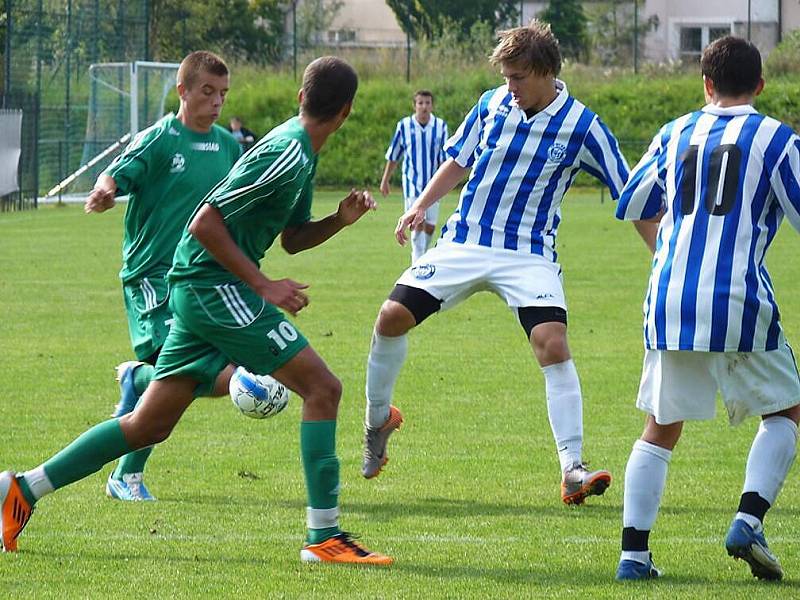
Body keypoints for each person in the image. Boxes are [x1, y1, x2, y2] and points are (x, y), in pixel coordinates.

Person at [1, 56, 392, 565]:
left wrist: (338, 221)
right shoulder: (286, 153)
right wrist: (262, 285)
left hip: (203, 287)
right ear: (346, 111)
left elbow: (292, 239)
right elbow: (204, 223)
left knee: (147, 426)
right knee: (324, 388)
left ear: (302, 96)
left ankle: (20, 490)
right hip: (213, 286)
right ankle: (325, 536)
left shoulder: (301, 155)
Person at [362, 20, 647, 506]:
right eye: (506, 77)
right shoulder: (492, 103)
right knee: (390, 317)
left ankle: (572, 469)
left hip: (528, 254)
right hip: (465, 242)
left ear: (545, 72)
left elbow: (633, 194)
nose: (509, 86)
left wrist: (662, 254)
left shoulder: (583, 126)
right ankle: (377, 421)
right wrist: (418, 205)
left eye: (517, 77)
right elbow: (459, 160)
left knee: (552, 343)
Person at [614, 36, 800, 582]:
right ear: (761, 87)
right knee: (787, 411)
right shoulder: (775, 137)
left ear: (705, 84)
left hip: (669, 295)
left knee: (660, 425)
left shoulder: (674, 132)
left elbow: (635, 204)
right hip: (737, 295)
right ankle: (748, 518)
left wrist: (672, 256)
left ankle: (633, 556)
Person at [84, 50, 243, 502]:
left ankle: (137, 385)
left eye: (223, 94)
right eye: (208, 92)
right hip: (151, 276)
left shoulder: (229, 147)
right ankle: (125, 475)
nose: (216, 102)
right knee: (190, 373)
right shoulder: (160, 139)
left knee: (184, 377)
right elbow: (116, 173)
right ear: (183, 91)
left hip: (196, 279)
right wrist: (104, 190)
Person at [380, 90, 448, 263]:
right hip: (412, 184)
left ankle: (420, 258)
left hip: (434, 184)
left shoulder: (440, 126)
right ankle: (417, 264)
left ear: (432, 105)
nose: (424, 107)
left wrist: (446, 182)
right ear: (415, 105)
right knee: (416, 223)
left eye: (427, 103)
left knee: (430, 224)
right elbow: (394, 154)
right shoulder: (404, 126)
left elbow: (445, 159)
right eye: (420, 103)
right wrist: (385, 179)